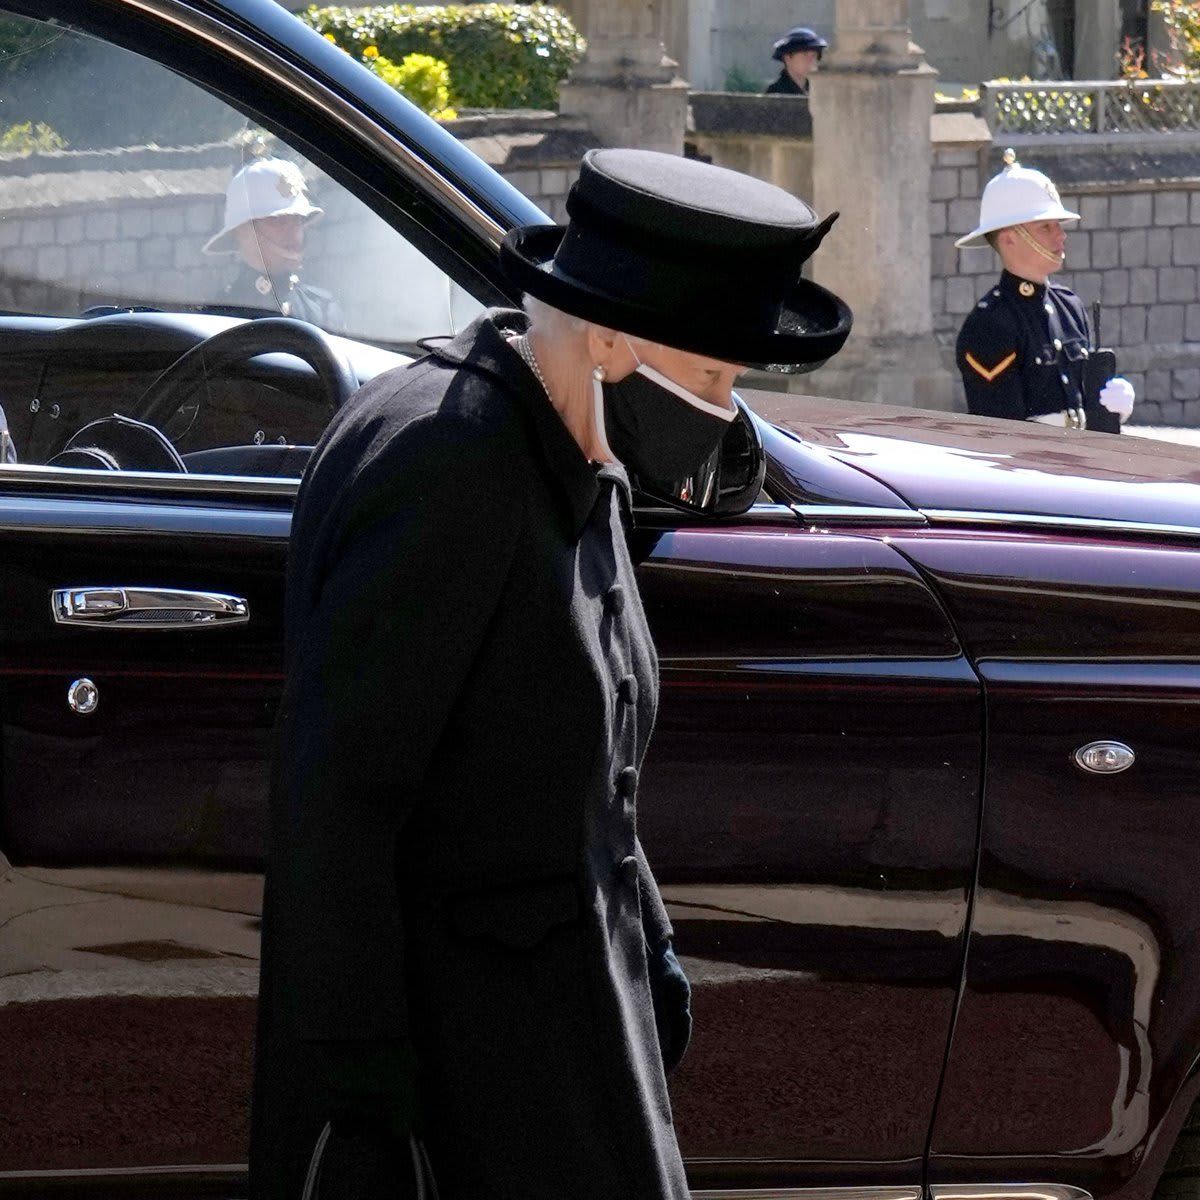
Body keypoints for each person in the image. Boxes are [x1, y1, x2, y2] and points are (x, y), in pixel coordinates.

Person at [248, 147, 851, 1200]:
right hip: (465, 1094)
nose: (723, 405)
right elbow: (335, 815)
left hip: (571, 1052)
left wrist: (652, 953)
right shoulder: (447, 465)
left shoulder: (578, 450)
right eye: (711, 375)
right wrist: (364, 1114)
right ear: (611, 338)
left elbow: (590, 775)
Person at [955, 149, 1136, 429]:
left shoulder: (1069, 306)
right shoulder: (990, 323)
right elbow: (1001, 430)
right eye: (1045, 227)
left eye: (1058, 225)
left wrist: (1109, 407)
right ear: (1010, 239)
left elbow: (1079, 397)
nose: (1060, 235)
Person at [203, 155, 344, 332]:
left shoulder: (324, 312)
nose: (295, 231)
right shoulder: (216, 319)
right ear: (242, 232)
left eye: (298, 219)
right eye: (278, 219)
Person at [765, 25, 828, 96]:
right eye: (805, 55)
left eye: (813, 56)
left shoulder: (819, 91)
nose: (811, 61)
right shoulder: (776, 92)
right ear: (787, 58)